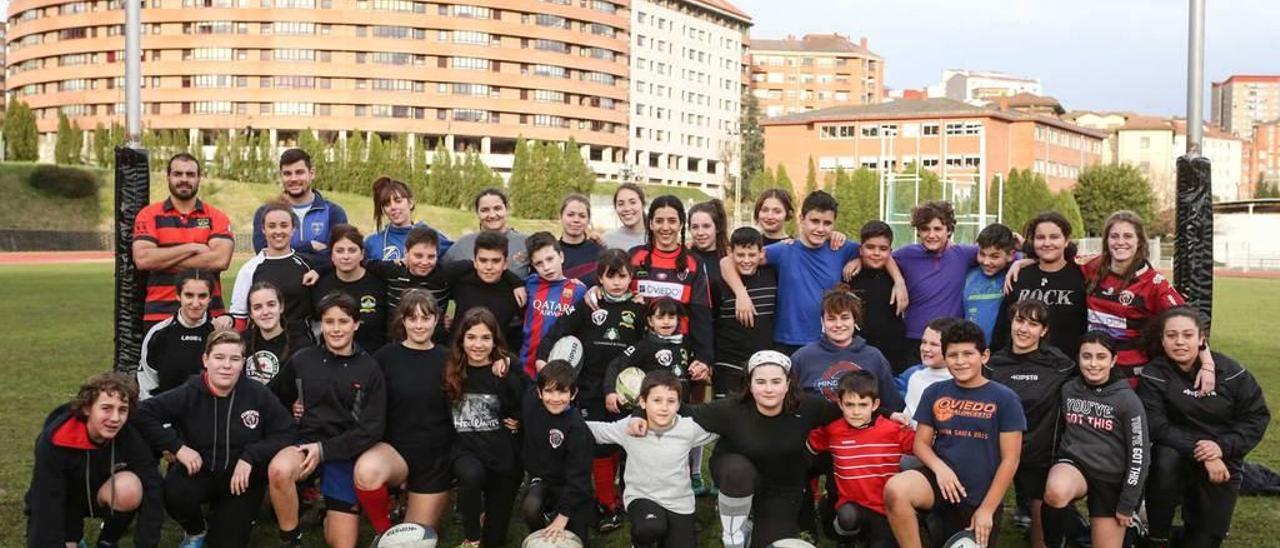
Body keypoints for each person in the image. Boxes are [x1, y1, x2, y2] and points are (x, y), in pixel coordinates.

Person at [626, 350, 842, 548]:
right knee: (738, 470)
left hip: (781, 489)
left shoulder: (808, 407)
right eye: (761, 381)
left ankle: (752, 522)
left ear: (788, 383)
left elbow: (850, 410)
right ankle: (733, 531)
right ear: (750, 384)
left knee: (772, 544)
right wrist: (639, 412)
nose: (768, 389)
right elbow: (680, 409)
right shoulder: (730, 409)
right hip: (736, 477)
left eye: (776, 381)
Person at [133, 330, 295, 548]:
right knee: (174, 492)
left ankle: (231, 518)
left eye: (234, 359)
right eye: (219, 357)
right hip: (200, 473)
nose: (226, 365)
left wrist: (251, 456)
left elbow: (286, 432)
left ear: (243, 363)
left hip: (241, 482)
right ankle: (196, 531)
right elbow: (143, 414)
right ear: (206, 360)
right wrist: (177, 446)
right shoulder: (189, 392)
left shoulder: (257, 394)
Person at [883, 320, 1025, 548]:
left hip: (979, 494)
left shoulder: (1004, 398)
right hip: (939, 484)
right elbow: (921, 444)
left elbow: (1010, 460)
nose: (960, 362)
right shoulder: (935, 392)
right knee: (896, 489)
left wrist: (987, 510)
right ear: (945, 357)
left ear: (985, 356)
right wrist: (941, 469)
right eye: (953, 355)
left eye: (968, 354)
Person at [1138, 307, 1270, 548]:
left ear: (1201, 340)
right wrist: (1204, 451)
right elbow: (1157, 425)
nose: (1179, 342)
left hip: (1221, 459)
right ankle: (1157, 535)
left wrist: (1221, 448)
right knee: (1165, 456)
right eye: (1171, 335)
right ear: (1162, 339)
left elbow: (1256, 417)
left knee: (1204, 541)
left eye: (1187, 335)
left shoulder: (1231, 373)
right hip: (1179, 454)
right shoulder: (1154, 373)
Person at [535, 249, 645, 530]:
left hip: (625, 390)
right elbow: (558, 330)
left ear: (631, 278)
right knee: (598, 447)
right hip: (590, 388)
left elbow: (647, 346)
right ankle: (606, 503)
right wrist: (542, 357)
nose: (617, 282)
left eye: (623, 276)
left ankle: (626, 498)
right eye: (610, 277)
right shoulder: (589, 304)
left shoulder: (638, 309)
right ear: (600, 278)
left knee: (628, 446)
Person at [266, 293, 386, 548]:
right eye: (329, 321)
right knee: (279, 469)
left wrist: (324, 451)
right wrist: (290, 412)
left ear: (356, 324)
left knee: (342, 544)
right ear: (322, 324)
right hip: (304, 444)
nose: (336, 328)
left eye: (343, 321)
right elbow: (272, 398)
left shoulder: (369, 368)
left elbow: (371, 429)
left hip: (344, 451)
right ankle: (291, 539)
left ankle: (326, 511)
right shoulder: (303, 360)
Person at [723, 190, 904, 355]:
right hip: (786, 341)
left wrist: (899, 282)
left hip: (828, 340)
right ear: (802, 219)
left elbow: (879, 253)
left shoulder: (840, 248)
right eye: (815, 221)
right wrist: (741, 293)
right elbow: (727, 261)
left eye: (827, 223)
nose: (820, 228)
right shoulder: (784, 250)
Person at [354, 290, 455, 533]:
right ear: (403, 320)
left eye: (425, 318)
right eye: (412, 318)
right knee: (367, 471)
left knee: (415, 537)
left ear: (436, 319)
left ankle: (427, 500)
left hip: (435, 459)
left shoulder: (450, 359)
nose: (419, 325)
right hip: (395, 451)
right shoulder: (385, 357)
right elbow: (356, 392)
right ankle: (384, 532)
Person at [26, 372, 164, 548]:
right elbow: (46, 500)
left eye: (122, 410)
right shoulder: (55, 439)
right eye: (106, 408)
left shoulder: (130, 435)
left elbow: (153, 487)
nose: (115, 418)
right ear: (87, 408)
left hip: (99, 495)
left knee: (129, 487)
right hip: (65, 500)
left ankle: (107, 541)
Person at [1081, 211, 1215, 391]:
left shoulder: (1153, 283)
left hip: (1129, 372)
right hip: (1093, 365)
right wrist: (1030, 263)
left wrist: (1207, 364)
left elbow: (1188, 321)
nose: (1120, 242)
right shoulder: (1094, 267)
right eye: (1114, 236)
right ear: (1106, 241)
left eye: (1128, 236)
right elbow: (1061, 267)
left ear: (1140, 242)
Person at [587, 370, 719, 548]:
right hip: (643, 497)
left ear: (679, 404)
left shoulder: (688, 428)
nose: (664, 408)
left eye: (671, 401)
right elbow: (597, 431)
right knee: (650, 528)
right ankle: (639, 543)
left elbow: (723, 429)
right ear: (642, 401)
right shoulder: (630, 427)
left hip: (679, 502)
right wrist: (562, 419)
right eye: (657, 400)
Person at [1042, 331, 1149, 548]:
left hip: (1111, 477)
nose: (1093, 364)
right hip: (1076, 465)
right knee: (1056, 491)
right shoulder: (1068, 389)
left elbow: (1140, 455)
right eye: (1086, 356)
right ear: (1078, 358)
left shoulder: (1127, 400)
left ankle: (1133, 529)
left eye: (1101, 357)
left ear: (1113, 360)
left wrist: (1128, 503)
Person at [984, 300, 1076, 548]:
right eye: (1019, 321)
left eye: (1033, 324)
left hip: (1040, 453)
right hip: (996, 452)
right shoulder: (993, 364)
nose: (1024, 329)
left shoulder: (1062, 365)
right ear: (1011, 323)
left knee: (1042, 534)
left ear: (1043, 331)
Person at [446, 308, 530, 548]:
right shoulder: (450, 368)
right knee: (470, 475)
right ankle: (471, 537)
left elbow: (531, 398)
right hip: (467, 451)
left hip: (503, 456)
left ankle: (488, 519)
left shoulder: (505, 368)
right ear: (461, 339)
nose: (478, 344)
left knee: (494, 541)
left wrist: (520, 419)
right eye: (471, 337)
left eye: (485, 338)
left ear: (495, 341)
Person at [807, 371, 915, 548]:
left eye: (863, 405)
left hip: (886, 510)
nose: (856, 412)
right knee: (848, 516)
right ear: (840, 404)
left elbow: (923, 449)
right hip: (851, 507)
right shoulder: (832, 430)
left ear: (875, 405)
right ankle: (847, 539)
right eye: (849, 405)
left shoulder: (894, 429)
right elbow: (807, 448)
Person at [132, 152, 234, 328]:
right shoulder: (149, 214)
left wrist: (162, 260)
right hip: (160, 315)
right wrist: (192, 247)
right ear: (168, 177)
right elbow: (143, 259)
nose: (184, 179)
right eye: (178, 174)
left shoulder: (216, 217)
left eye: (190, 174)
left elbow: (220, 260)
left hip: (208, 315)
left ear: (199, 178)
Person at [789, 286, 903, 414]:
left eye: (845, 318)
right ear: (822, 321)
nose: (838, 325)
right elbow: (790, 403)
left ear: (855, 320)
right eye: (831, 319)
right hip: (817, 430)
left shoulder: (874, 357)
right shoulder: (802, 357)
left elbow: (892, 406)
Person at [893, 201, 980, 359]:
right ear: (918, 231)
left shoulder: (963, 254)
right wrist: (898, 280)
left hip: (951, 341)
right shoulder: (907, 254)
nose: (931, 235)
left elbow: (1000, 251)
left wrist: (1023, 260)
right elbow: (880, 256)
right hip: (915, 340)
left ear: (949, 230)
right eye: (925, 229)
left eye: (937, 229)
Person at [521, 361, 596, 545]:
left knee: (576, 539)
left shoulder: (577, 429)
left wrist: (562, 518)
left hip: (571, 486)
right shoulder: (531, 403)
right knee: (531, 506)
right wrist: (505, 360)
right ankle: (541, 537)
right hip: (543, 478)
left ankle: (562, 518)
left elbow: (579, 479)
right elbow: (517, 379)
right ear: (539, 393)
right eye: (549, 391)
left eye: (562, 392)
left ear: (573, 394)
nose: (555, 398)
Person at [995, 212, 1087, 357]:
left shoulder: (1081, 277)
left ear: (1067, 240)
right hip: (1020, 367)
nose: (1047, 243)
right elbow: (1002, 328)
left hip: (1066, 369)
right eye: (1040, 237)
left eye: (1054, 237)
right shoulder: (1019, 276)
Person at [229, 201, 316, 346]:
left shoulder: (307, 265)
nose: (278, 231)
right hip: (262, 346)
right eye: (271, 226)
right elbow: (239, 317)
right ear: (263, 229)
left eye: (284, 225)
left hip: (300, 344)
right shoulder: (250, 269)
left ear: (293, 228)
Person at [604, 297, 706, 413]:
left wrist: (697, 373)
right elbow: (615, 365)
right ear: (650, 321)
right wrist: (610, 392)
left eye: (671, 317)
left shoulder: (686, 345)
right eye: (660, 317)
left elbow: (692, 373)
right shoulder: (644, 346)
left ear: (678, 320)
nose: (666, 322)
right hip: (652, 412)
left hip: (681, 409)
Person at [252, 148, 348, 266]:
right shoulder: (265, 213)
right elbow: (263, 254)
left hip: (320, 283)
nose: (293, 179)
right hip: (280, 283)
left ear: (311, 173)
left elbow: (336, 256)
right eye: (287, 174)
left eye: (299, 172)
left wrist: (284, 250)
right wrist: (309, 246)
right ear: (281, 176)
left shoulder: (334, 212)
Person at [712, 227, 777, 399]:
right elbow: (710, 323)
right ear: (730, 252)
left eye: (752, 255)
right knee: (726, 415)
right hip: (728, 364)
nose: (746, 260)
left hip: (763, 363)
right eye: (740, 255)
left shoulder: (772, 276)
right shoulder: (719, 283)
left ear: (761, 253)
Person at [138, 271, 216, 400]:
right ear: (178, 296)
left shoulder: (219, 334)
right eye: (189, 295)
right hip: (166, 414)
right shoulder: (158, 333)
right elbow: (147, 381)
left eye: (202, 296)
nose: (196, 303)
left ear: (210, 298)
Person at [518, 232, 587, 377]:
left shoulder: (579, 290)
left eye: (550, 259)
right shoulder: (530, 283)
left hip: (560, 370)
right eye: (539, 263)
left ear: (561, 257)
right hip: (527, 366)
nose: (546, 267)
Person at [313, 225, 388, 353]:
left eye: (352, 250)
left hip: (373, 360)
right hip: (331, 360)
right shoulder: (319, 285)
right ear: (331, 255)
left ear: (362, 254)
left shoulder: (379, 284)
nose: (346, 256)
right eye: (340, 251)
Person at [445, 229, 528, 344]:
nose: (489, 267)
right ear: (474, 262)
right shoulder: (460, 277)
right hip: (456, 355)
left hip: (494, 357)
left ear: (505, 264)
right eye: (483, 260)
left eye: (495, 261)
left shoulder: (515, 292)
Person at [849, 221, 910, 373]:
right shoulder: (850, 275)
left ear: (890, 251)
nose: (876, 253)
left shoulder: (899, 274)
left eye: (883, 249)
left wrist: (899, 280)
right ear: (860, 249)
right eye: (870, 247)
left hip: (894, 356)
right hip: (858, 354)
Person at [442, 188, 530, 277]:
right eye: (485, 210)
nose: (492, 215)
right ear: (477, 213)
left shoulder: (525, 243)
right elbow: (440, 271)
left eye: (497, 208)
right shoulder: (462, 245)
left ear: (506, 209)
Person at [364, 176, 453, 261]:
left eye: (398, 201)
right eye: (387, 204)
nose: (393, 207)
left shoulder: (431, 236)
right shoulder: (372, 243)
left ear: (410, 203)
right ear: (383, 210)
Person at [898, 317, 962, 427]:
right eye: (924, 342)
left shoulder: (962, 382)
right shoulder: (915, 377)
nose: (926, 349)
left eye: (934, 344)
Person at [964, 223, 1017, 345]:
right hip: (972, 350)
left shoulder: (1015, 275)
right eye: (982, 254)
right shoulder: (968, 276)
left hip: (1003, 352)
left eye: (994, 256)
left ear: (1010, 255)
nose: (987, 262)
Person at [242, 282, 303, 385]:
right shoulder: (241, 343)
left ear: (281, 307)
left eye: (271, 304)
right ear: (250, 313)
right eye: (257, 307)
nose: (265, 312)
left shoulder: (300, 345)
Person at [558, 193, 604, 285]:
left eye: (582, 216)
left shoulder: (599, 251)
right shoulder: (551, 251)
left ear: (588, 220)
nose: (576, 220)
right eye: (570, 215)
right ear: (560, 216)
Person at [688, 199, 730, 295]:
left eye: (706, 226)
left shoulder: (729, 257)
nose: (700, 233)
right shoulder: (684, 257)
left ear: (718, 228)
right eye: (695, 227)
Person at [603, 182, 647, 251]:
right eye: (621, 204)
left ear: (643, 205)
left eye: (633, 202)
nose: (627, 208)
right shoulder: (607, 240)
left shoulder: (658, 237)